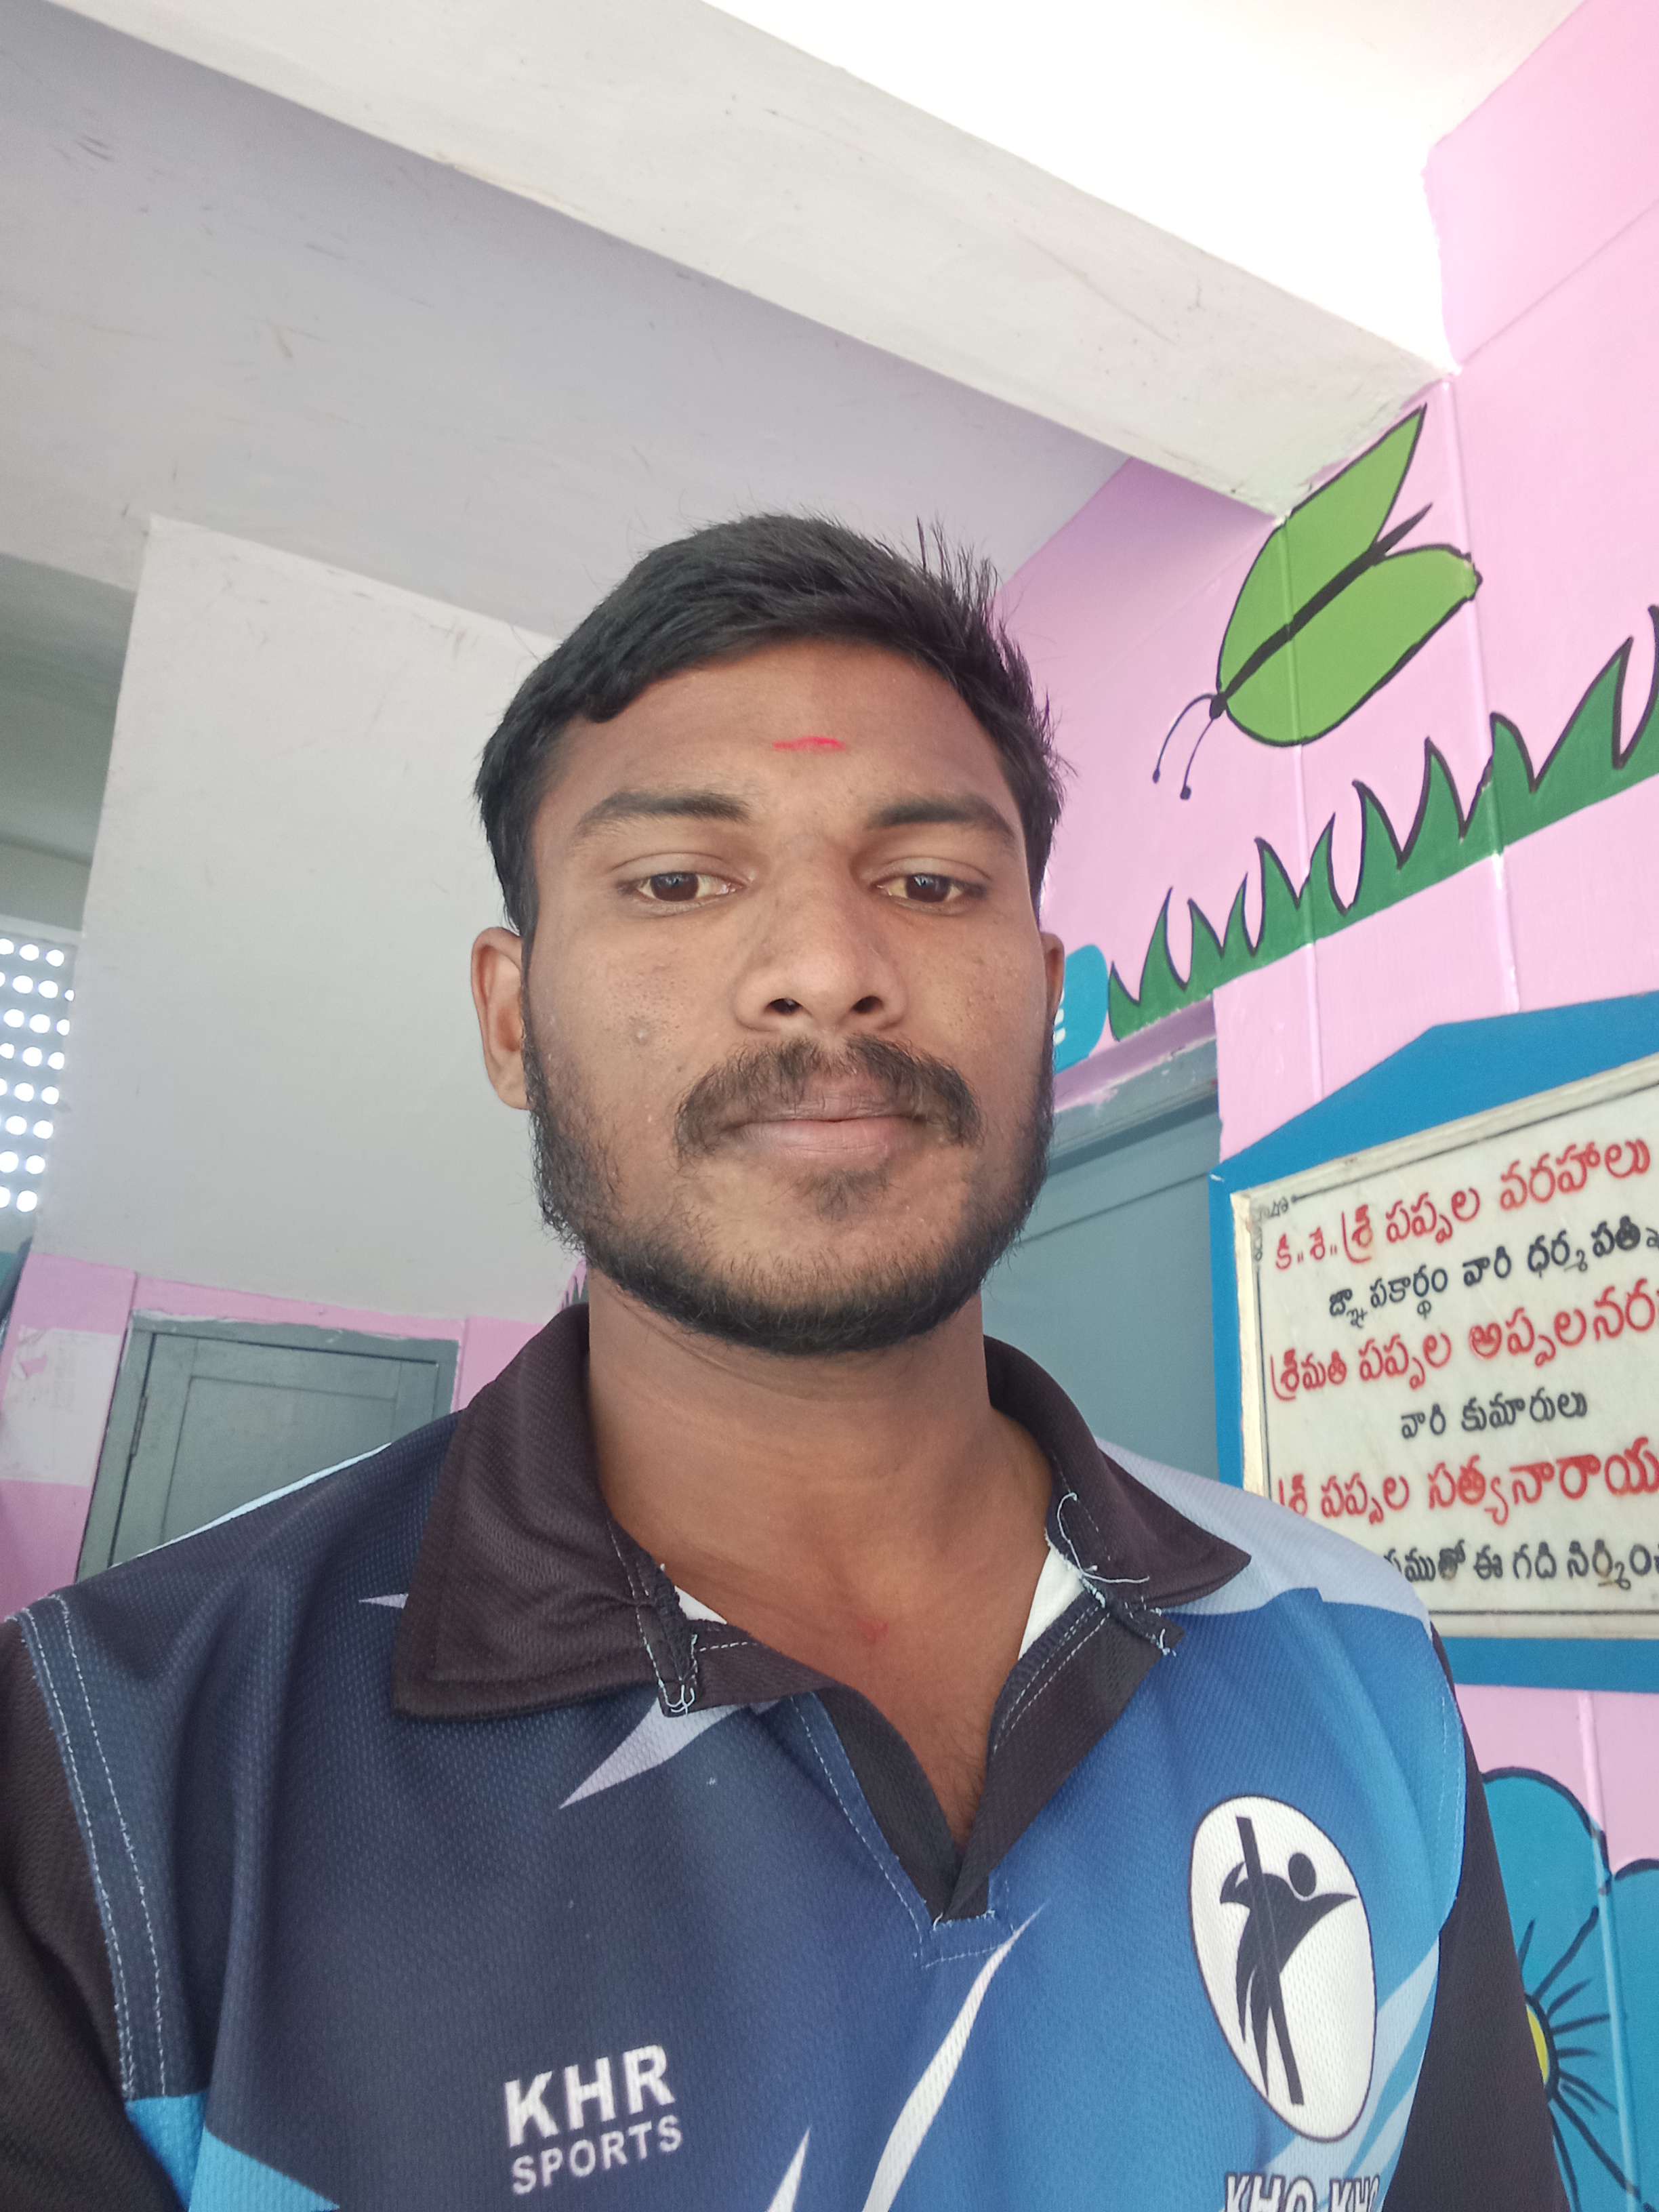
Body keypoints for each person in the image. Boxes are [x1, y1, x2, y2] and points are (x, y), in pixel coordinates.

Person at [0, 516, 1559, 2209]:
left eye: (931, 883)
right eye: (678, 881)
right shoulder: (109, 1780)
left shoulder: (1354, 1647)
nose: (826, 971)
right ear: (513, 1017)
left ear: (1044, 1000)